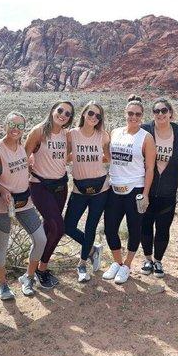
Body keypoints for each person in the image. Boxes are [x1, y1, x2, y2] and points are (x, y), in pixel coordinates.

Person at [0, 112, 47, 299]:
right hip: (2, 205)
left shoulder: (23, 149)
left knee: (40, 239)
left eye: (20, 126)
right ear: (4, 125)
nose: (16, 129)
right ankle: (3, 285)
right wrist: (1, 189)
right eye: (12, 124)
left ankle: (28, 277)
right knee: (2, 246)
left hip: (25, 203)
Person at [102, 95, 156, 284]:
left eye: (138, 114)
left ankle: (127, 265)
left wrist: (146, 193)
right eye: (130, 113)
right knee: (110, 229)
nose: (134, 117)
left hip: (135, 189)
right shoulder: (115, 132)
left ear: (142, 116)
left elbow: (150, 168)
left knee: (135, 229)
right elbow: (108, 155)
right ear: (125, 113)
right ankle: (117, 262)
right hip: (114, 188)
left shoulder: (146, 137)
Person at [25, 101, 74, 289]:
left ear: (70, 118)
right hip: (40, 185)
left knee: (49, 229)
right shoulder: (38, 132)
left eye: (67, 113)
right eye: (60, 110)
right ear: (52, 110)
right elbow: (24, 155)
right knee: (58, 227)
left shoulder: (66, 135)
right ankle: (42, 269)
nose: (62, 114)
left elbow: (65, 155)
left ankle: (34, 269)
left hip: (61, 186)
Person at [139, 98, 178, 278]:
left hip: (168, 191)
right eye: (157, 111)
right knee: (145, 225)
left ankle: (158, 261)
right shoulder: (145, 130)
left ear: (170, 112)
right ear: (153, 114)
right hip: (145, 189)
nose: (160, 114)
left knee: (163, 228)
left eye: (164, 110)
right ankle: (147, 259)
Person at [63, 102, 110, 282]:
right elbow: (64, 156)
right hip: (79, 189)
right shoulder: (72, 135)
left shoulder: (103, 136)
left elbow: (109, 157)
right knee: (68, 226)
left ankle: (82, 264)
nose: (93, 117)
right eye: (91, 113)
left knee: (91, 226)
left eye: (98, 116)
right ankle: (92, 249)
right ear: (84, 114)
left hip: (101, 189)